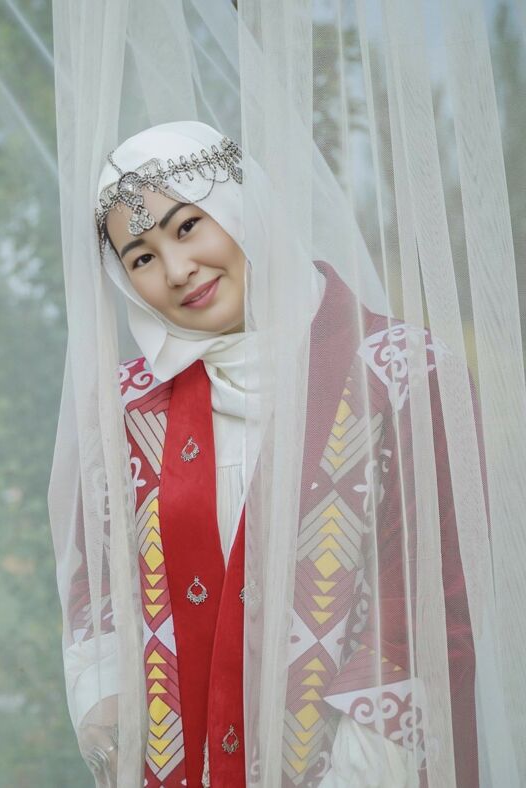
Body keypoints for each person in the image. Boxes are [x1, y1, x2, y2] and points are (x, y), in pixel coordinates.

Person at [50, 121, 478, 787]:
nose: (177, 270)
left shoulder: (400, 372)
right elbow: (97, 581)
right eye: (141, 258)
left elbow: (429, 608)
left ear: (241, 206)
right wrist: (103, 691)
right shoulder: (129, 406)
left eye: (188, 226)